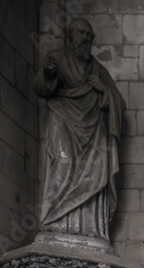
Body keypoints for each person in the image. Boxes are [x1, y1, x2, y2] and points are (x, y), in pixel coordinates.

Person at [34, 18, 125, 244]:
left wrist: (103, 90)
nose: (85, 39)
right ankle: (54, 221)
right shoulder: (57, 58)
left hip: (94, 131)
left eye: (89, 35)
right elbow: (41, 89)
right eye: (81, 33)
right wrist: (49, 75)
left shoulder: (98, 70)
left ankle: (90, 228)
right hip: (63, 119)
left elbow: (119, 103)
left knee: (96, 173)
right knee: (63, 164)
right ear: (70, 36)